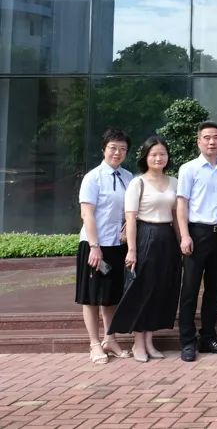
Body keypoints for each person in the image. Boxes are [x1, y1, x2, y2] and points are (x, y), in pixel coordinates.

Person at [107, 135, 182, 362]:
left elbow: (176, 216)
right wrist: (132, 250)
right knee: (142, 290)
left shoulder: (174, 181)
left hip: (166, 238)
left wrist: (181, 240)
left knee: (159, 290)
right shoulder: (137, 183)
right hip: (145, 236)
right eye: (154, 154)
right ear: (146, 157)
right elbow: (130, 219)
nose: (158, 158)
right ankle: (138, 343)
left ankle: (149, 341)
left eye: (162, 154)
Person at [176, 121, 217, 362]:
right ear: (198, 141)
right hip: (196, 233)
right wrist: (184, 235)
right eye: (207, 137)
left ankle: (208, 337)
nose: (212, 142)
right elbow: (182, 204)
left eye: (216, 137)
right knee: (190, 290)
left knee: (214, 290)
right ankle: (187, 341)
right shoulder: (189, 169)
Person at [76, 128, 133, 364]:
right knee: (91, 296)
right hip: (94, 244)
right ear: (103, 149)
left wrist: (127, 229)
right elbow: (87, 214)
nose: (117, 153)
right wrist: (94, 246)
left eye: (122, 149)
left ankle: (110, 339)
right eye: (113, 148)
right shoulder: (93, 177)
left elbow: (131, 211)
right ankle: (94, 344)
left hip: (117, 245)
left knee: (111, 296)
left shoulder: (129, 178)